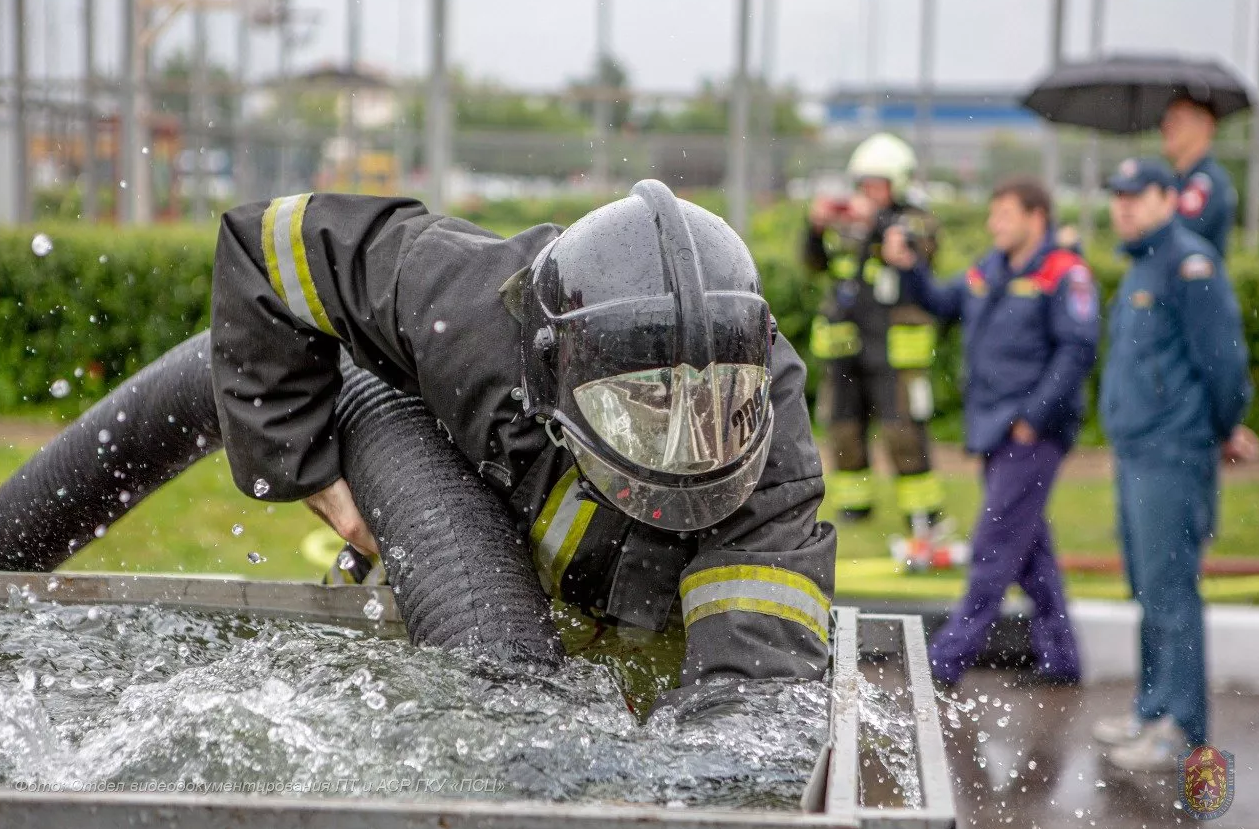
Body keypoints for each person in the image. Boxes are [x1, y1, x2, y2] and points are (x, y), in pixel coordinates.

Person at [210, 179, 837, 709]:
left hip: (656, 614)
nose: (682, 438)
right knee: (360, 715)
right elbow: (270, 243)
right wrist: (300, 465)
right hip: (444, 561)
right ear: (553, 367)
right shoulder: (469, 311)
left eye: (713, 412)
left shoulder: (770, 422)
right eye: (640, 409)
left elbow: (760, 661)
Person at [882, 176, 1097, 688]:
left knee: (994, 545)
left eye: (1003, 213)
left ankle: (944, 662)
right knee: (1030, 551)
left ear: (1035, 216)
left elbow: (1077, 351)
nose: (993, 223)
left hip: (1030, 434)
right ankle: (1061, 660)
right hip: (993, 428)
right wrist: (910, 267)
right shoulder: (988, 269)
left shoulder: (1064, 273)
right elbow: (940, 301)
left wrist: (1033, 419)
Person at [1091, 158, 1253, 772]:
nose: (1124, 206)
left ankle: (1181, 728)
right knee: (1147, 588)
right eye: (1118, 195)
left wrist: (1213, 431)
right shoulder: (1142, 261)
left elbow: (1225, 366)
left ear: (1168, 199)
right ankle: (1151, 706)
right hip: (1138, 452)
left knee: (1171, 591)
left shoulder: (1192, 264)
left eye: (1138, 195)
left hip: (1172, 453)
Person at [801, 133, 945, 527]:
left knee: (903, 432)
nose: (869, 192)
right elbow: (816, 264)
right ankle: (855, 508)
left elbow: (919, 246)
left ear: (898, 182)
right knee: (844, 429)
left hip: (896, 348)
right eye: (864, 183)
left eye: (878, 183)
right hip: (847, 344)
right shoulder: (848, 221)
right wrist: (815, 228)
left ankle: (923, 513)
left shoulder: (917, 217)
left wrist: (875, 224)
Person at [1161, 96, 1237, 256]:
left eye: (1177, 119)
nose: (1166, 126)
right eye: (1166, 119)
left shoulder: (1206, 181)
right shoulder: (1179, 179)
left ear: (1205, 125)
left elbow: (1171, 239)